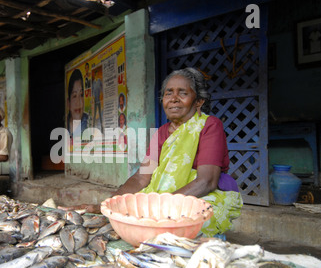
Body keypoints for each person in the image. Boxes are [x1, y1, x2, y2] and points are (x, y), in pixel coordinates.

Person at [60, 68, 243, 237]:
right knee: (122, 222)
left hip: (200, 198)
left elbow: (206, 181)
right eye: (168, 93)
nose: (173, 98)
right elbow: (141, 178)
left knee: (175, 231)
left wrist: (158, 208)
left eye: (183, 93)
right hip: (164, 199)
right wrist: (107, 205)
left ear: (199, 101)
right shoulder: (161, 133)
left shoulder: (209, 125)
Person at [66, 68, 88, 137]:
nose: (78, 102)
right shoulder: (64, 125)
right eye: (74, 96)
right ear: (68, 103)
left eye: (81, 95)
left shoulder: (89, 122)